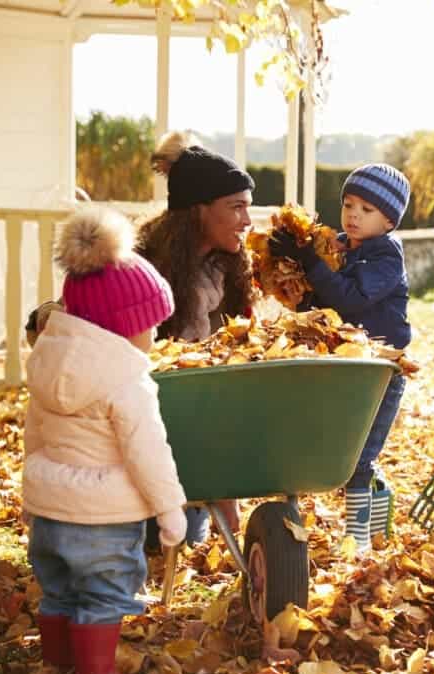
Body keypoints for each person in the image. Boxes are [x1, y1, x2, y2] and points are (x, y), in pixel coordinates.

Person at [23, 208, 187, 674]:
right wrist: (170, 510)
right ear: (125, 326)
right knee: (101, 594)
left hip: (50, 509)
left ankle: (56, 665)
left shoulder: (46, 361)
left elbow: (36, 434)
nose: (155, 336)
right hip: (103, 519)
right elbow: (148, 453)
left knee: (57, 591)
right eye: (151, 326)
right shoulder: (127, 379)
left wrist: (31, 494)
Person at [269, 163, 411, 553]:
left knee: (360, 456)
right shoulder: (342, 252)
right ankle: (378, 513)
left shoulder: (386, 257)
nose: (353, 215)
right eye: (349, 204)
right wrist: (299, 273)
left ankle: (357, 539)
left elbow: (351, 297)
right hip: (348, 368)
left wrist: (312, 264)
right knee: (351, 447)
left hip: (382, 370)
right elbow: (328, 304)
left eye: (366, 209)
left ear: (389, 220)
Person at [137, 131, 256, 547]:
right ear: (198, 210)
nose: (247, 219)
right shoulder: (142, 265)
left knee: (187, 537)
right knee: (159, 538)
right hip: (147, 421)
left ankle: (211, 496)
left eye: (248, 207)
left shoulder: (228, 268)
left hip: (208, 414)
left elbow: (241, 340)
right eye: (236, 207)